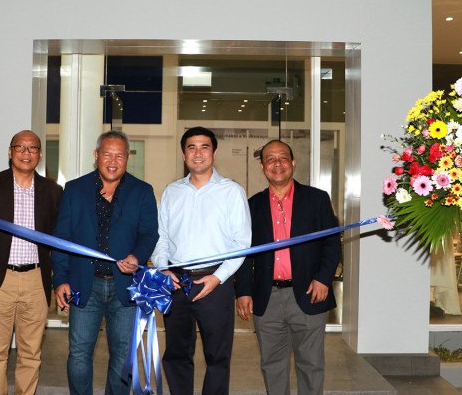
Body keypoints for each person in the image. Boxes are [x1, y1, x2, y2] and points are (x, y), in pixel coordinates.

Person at [51, 129, 159, 395]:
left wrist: (137, 256)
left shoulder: (142, 191)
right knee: (78, 355)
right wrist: (60, 279)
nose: (113, 161)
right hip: (84, 285)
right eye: (107, 154)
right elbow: (61, 238)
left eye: (119, 155)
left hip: (125, 287)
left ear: (127, 158)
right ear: (96, 155)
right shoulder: (75, 190)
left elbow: (149, 233)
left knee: (123, 357)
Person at [235, 139, 341, 395]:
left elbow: (332, 243)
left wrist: (323, 279)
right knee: (272, 365)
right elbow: (244, 253)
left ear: (293, 163)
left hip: (308, 292)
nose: (277, 164)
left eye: (283, 157)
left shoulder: (317, 199)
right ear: (262, 167)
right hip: (266, 297)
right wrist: (244, 291)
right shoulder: (252, 206)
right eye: (270, 159)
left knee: (311, 364)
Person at [150, 126, 251, 395]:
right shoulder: (172, 191)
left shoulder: (231, 192)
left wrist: (218, 277)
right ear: (183, 155)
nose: (198, 153)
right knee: (176, 353)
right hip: (177, 281)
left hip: (216, 282)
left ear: (214, 153)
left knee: (218, 356)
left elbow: (241, 244)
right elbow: (160, 238)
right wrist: (163, 268)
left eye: (204, 147)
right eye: (191, 147)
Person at [0, 130, 63, 395]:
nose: (26, 153)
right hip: (0, 280)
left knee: (31, 353)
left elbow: (56, 234)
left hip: (36, 281)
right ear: (10, 152)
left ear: (40, 154)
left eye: (32, 148)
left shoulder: (53, 191)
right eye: (20, 147)